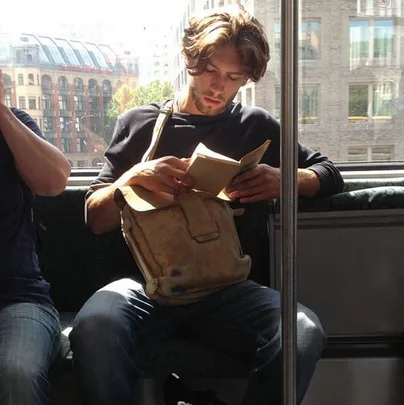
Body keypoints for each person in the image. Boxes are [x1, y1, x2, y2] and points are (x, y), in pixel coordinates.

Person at [69, 5, 344, 405]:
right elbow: (95, 217)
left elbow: (330, 172)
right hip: (146, 286)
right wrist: (133, 178)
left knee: (304, 331)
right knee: (95, 324)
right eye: (211, 71)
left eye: (235, 78)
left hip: (227, 286)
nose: (219, 87)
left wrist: (286, 180)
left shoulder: (256, 125)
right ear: (190, 61)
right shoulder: (140, 123)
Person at [0, 70, 71, 404]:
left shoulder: (13, 126)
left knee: (18, 373)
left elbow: (55, 180)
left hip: (20, 298)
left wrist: (1, 112)